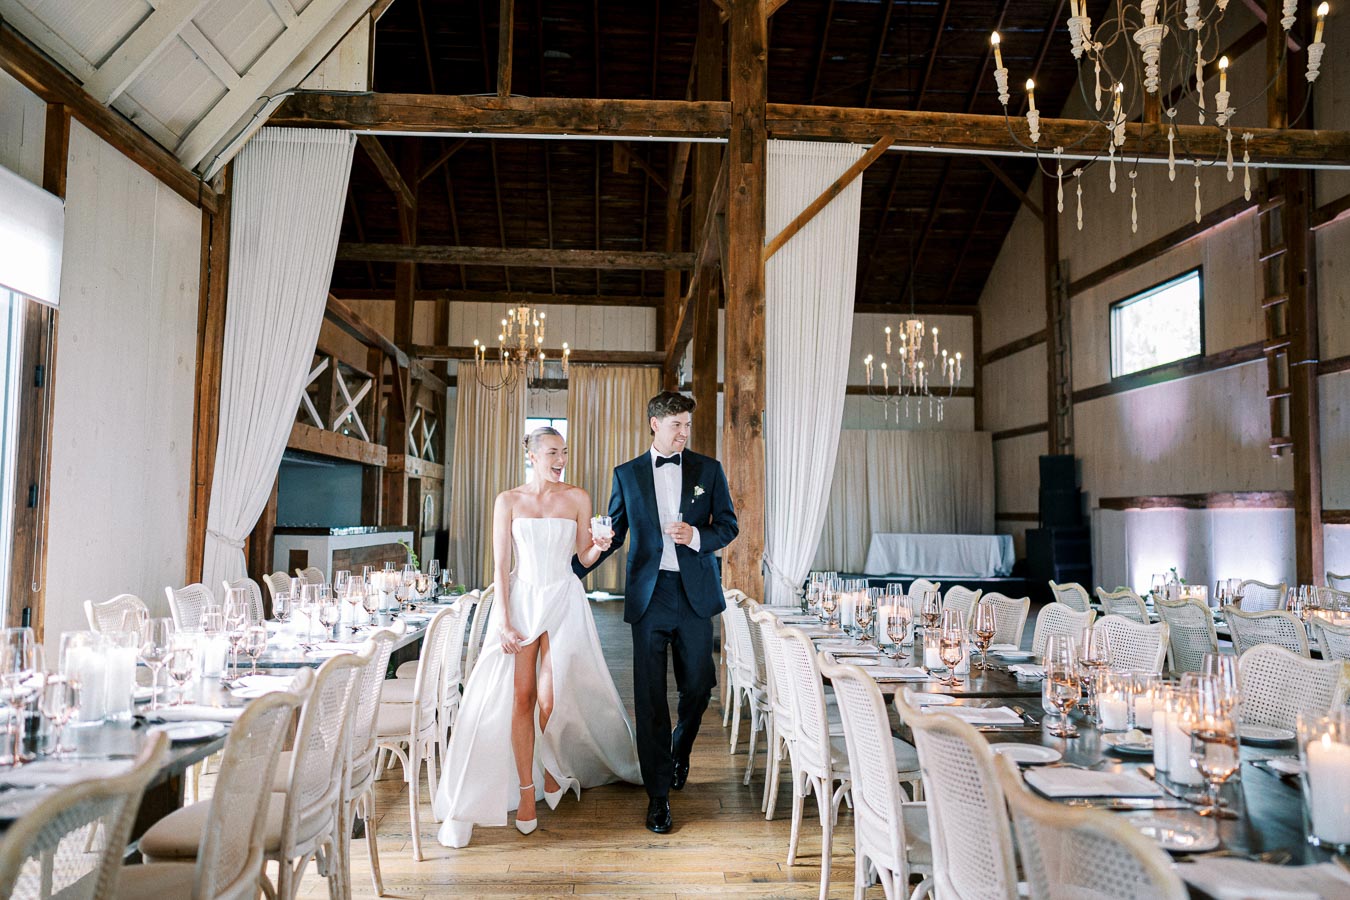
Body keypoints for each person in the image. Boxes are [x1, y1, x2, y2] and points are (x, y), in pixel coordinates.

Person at [433, 426, 641, 847]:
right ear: (531, 455)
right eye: (552, 452)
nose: (560, 458)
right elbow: (501, 566)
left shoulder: (578, 497)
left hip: (564, 598)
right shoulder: (508, 501)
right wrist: (505, 621)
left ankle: (552, 768)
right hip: (524, 601)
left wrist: (600, 545)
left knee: (552, 697)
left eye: (563, 451)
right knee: (521, 697)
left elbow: (583, 556)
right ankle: (528, 791)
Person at [575, 391, 738, 834]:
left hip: (694, 595)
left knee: (700, 686)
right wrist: (578, 566)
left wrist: (697, 536)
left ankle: (680, 748)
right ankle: (659, 796)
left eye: (687, 425)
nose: (684, 434)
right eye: (676, 426)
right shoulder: (626, 474)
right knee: (649, 697)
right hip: (649, 596)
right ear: (655, 424)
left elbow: (728, 524)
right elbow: (614, 531)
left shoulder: (709, 470)